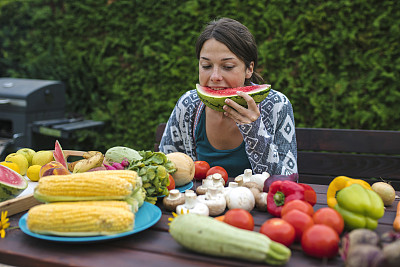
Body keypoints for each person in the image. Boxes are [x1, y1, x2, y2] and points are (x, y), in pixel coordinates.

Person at [159, 17, 297, 177]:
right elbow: (164, 168)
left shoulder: (276, 106)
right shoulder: (188, 105)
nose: (215, 76)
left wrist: (255, 132)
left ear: (249, 69)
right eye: (206, 66)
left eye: (228, 67)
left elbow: (288, 180)